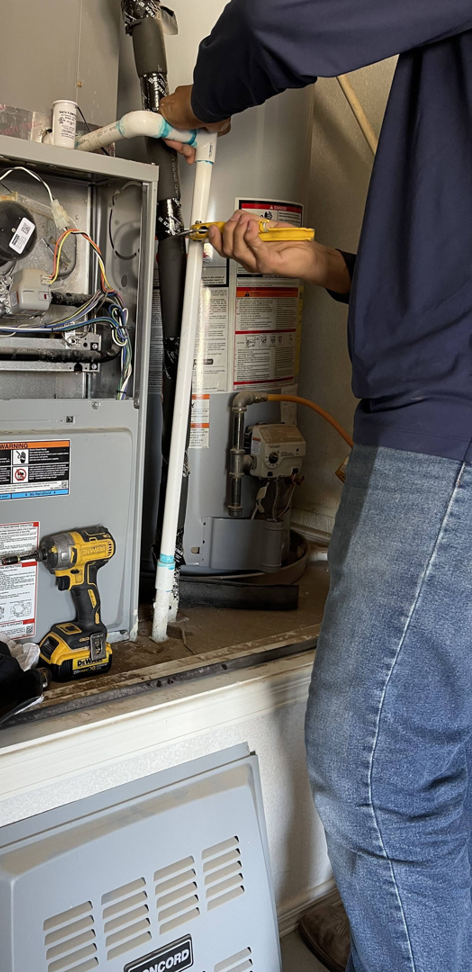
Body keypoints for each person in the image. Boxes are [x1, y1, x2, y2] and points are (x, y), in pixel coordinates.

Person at [159, 4, 472, 972]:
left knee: (376, 768)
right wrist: (336, 266)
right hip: (439, 396)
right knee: (441, 760)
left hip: (450, 418)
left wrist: (202, 97)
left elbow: (281, 16)